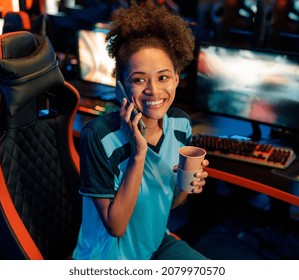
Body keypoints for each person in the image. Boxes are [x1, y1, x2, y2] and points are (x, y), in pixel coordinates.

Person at [72, 1, 209, 260]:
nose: (154, 90)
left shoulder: (180, 125)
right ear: (120, 86)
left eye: (163, 77)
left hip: (154, 243)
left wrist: (184, 187)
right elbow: (116, 226)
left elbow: (168, 204)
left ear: (177, 78)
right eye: (138, 79)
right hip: (110, 258)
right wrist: (138, 153)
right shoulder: (99, 137)